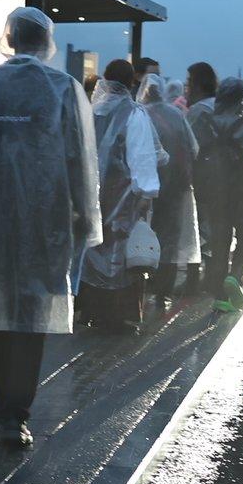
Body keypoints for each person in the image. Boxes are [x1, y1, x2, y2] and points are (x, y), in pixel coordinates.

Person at [0, 7, 100, 448]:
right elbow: (80, 159)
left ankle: (2, 403)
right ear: (46, 41)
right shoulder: (64, 89)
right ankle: (17, 411)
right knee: (31, 315)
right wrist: (86, 217)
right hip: (47, 216)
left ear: (8, 39)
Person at [78, 59, 161, 335]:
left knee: (94, 251)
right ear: (130, 84)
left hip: (91, 196)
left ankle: (92, 312)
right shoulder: (135, 114)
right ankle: (120, 317)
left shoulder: (91, 112)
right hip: (124, 197)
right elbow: (142, 158)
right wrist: (146, 194)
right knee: (121, 256)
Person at [189, 78, 243, 313]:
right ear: (240, 100)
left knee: (220, 241)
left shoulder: (206, 121)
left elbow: (196, 153)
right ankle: (236, 276)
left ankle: (221, 297)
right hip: (241, 191)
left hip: (213, 190)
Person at [137, 72, 200, 308]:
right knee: (170, 238)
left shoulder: (140, 113)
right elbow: (193, 148)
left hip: (147, 187)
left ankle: (144, 285)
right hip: (176, 186)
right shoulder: (175, 114)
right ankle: (164, 290)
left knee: (144, 235)